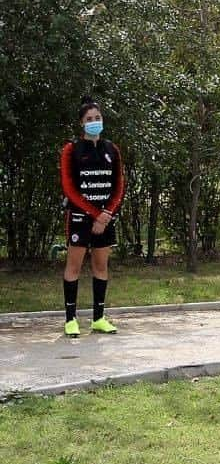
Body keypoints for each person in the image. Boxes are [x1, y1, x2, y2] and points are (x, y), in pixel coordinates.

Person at [58, 97, 126, 336]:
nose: (94, 122)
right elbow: (69, 188)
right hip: (80, 218)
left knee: (101, 266)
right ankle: (70, 320)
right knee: (73, 267)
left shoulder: (112, 149)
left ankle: (98, 318)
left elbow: (119, 186)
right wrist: (95, 215)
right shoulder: (71, 150)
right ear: (81, 123)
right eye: (89, 119)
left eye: (97, 118)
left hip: (105, 220)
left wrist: (107, 214)